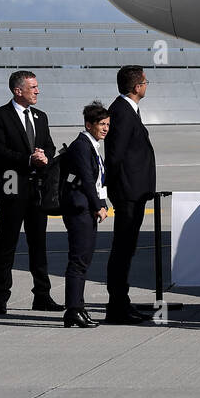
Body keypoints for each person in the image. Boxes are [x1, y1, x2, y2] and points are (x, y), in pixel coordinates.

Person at [0, 70, 60, 313]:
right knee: (7, 242)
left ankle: (42, 294)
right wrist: (29, 160)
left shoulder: (41, 116)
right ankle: (1, 297)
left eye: (37, 86)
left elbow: (49, 145)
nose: (38, 91)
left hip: (37, 190)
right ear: (18, 91)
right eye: (33, 87)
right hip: (12, 186)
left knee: (38, 243)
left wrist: (44, 156)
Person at [104, 65, 156, 324]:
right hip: (127, 193)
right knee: (123, 249)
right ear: (137, 87)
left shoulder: (127, 110)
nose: (147, 86)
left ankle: (121, 303)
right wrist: (114, 190)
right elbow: (114, 156)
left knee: (127, 248)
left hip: (132, 192)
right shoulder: (122, 112)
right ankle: (117, 306)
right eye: (146, 82)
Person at [59, 102, 111, 329]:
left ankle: (78, 308)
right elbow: (87, 180)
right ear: (88, 124)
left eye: (108, 124)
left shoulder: (92, 146)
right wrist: (99, 205)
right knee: (79, 260)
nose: (105, 128)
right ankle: (73, 310)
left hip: (86, 209)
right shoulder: (81, 146)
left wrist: (102, 203)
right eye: (101, 124)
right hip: (79, 210)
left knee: (84, 259)